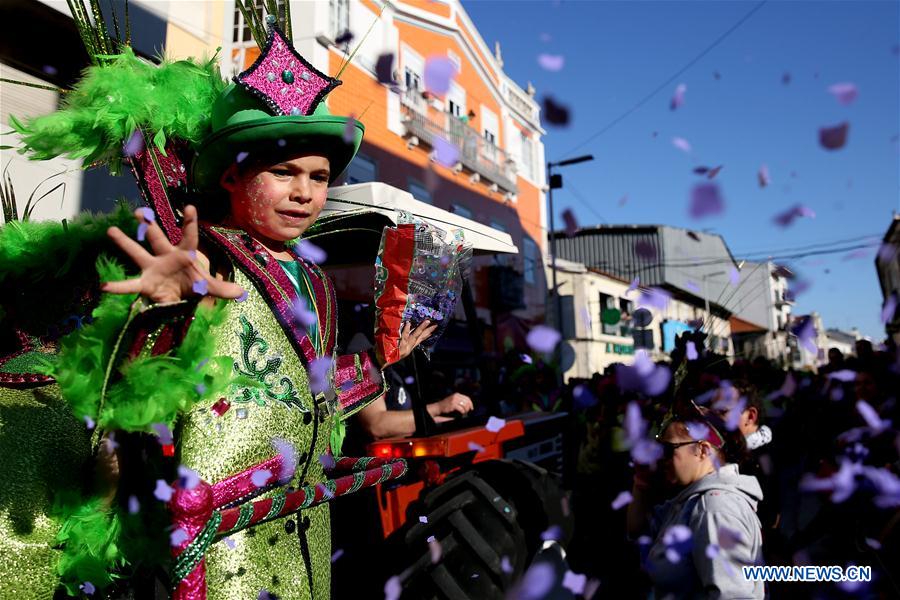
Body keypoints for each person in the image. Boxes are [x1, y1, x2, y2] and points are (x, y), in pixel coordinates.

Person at [2, 15, 436, 599]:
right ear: (231, 177)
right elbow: (124, 399)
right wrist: (163, 311)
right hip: (217, 557)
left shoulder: (317, 282)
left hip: (303, 538)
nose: (304, 192)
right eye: (282, 172)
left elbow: (305, 392)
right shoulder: (204, 258)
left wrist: (377, 365)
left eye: (319, 176)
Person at [627, 403, 765, 599]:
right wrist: (641, 482)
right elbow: (638, 530)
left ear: (702, 450)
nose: (661, 458)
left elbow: (732, 596)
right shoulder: (691, 501)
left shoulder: (714, 508)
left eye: (668, 449)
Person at [356, 352, 474, 439]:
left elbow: (407, 419)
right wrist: (439, 408)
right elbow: (376, 425)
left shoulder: (401, 365)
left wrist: (450, 424)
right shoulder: (364, 359)